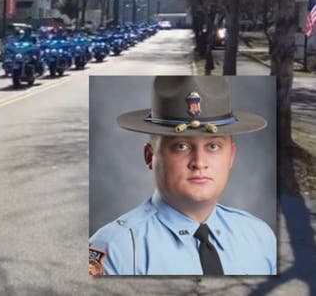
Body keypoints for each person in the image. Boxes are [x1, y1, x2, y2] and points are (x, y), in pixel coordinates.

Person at [89, 76, 276, 276]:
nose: (199, 162)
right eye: (181, 146)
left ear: (231, 156)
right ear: (150, 156)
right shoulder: (116, 250)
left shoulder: (260, 237)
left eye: (213, 146)